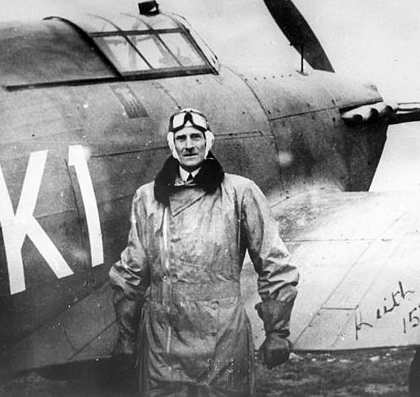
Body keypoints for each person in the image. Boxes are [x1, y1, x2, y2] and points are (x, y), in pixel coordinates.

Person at [109, 108, 299, 396]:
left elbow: (274, 263)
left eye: (196, 137)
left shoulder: (240, 192)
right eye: (181, 138)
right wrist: (126, 336)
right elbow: (131, 271)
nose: (189, 145)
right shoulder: (147, 197)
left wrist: (278, 332)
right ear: (172, 144)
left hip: (223, 338)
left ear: (208, 142)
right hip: (163, 340)